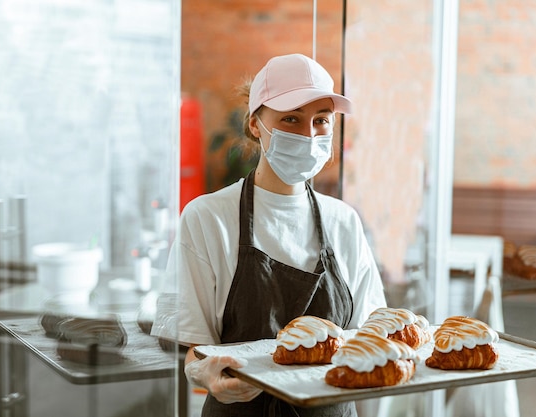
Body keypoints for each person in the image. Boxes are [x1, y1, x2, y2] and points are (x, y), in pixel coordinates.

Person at [152, 53, 387, 417]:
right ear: (255, 125)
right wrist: (207, 374)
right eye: (291, 119)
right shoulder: (208, 218)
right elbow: (192, 345)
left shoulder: (344, 222)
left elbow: (368, 336)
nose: (308, 135)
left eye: (321, 121)